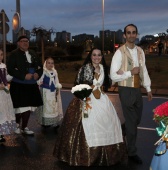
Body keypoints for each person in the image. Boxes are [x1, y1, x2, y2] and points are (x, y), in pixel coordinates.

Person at [53, 47, 127, 166]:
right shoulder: (85, 68)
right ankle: (83, 156)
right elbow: (77, 84)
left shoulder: (104, 69)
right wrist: (84, 95)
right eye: (94, 55)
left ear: (102, 57)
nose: (97, 57)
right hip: (86, 98)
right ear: (90, 56)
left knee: (108, 122)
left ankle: (105, 155)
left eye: (99, 55)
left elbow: (107, 83)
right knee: (85, 124)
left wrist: (117, 74)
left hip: (101, 99)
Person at [110, 24, 152, 164]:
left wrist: (148, 88)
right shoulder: (119, 52)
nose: (131, 35)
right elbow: (113, 75)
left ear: (137, 34)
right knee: (132, 123)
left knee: (135, 120)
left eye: (134, 32)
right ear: (124, 35)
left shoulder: (140, 51)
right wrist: (129, 73)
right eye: (129, 33)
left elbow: (143, 70)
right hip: (125, 90)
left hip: (137, 89)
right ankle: (131, 151)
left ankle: (123, 129)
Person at [7, 35, 43, 135]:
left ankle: (25, 127)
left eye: (27, 41)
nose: (25, 43)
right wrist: (23, 76)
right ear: (18, 43)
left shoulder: (33, 53)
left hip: (31, 84)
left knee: (28, 107)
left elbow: (40, 67)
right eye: (22, 41)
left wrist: (37, 74)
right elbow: (10, 69)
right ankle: (17, 125)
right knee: (19, 107)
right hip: (19, 84)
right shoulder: (13, 54)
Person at [35, 57, 63, 127]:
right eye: (49, 63)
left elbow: (56, 81)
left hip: (53, 93)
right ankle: (46, 122)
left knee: (53, 107)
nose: (50, 65)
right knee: (46, 108)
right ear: (46, 63)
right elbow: (39, 81)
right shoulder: (44, 72)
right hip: (45, 93)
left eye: (52, 63)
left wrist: (57, 86)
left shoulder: (54, 72)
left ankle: (54, 121)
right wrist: (39, 82)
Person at [0, 48, 16, 143]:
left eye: (1, 54)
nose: (0, 56)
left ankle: (1, 133)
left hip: (4, 94)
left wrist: (13, 74)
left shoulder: (3, 65)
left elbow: (5, 78)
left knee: (3, 112)